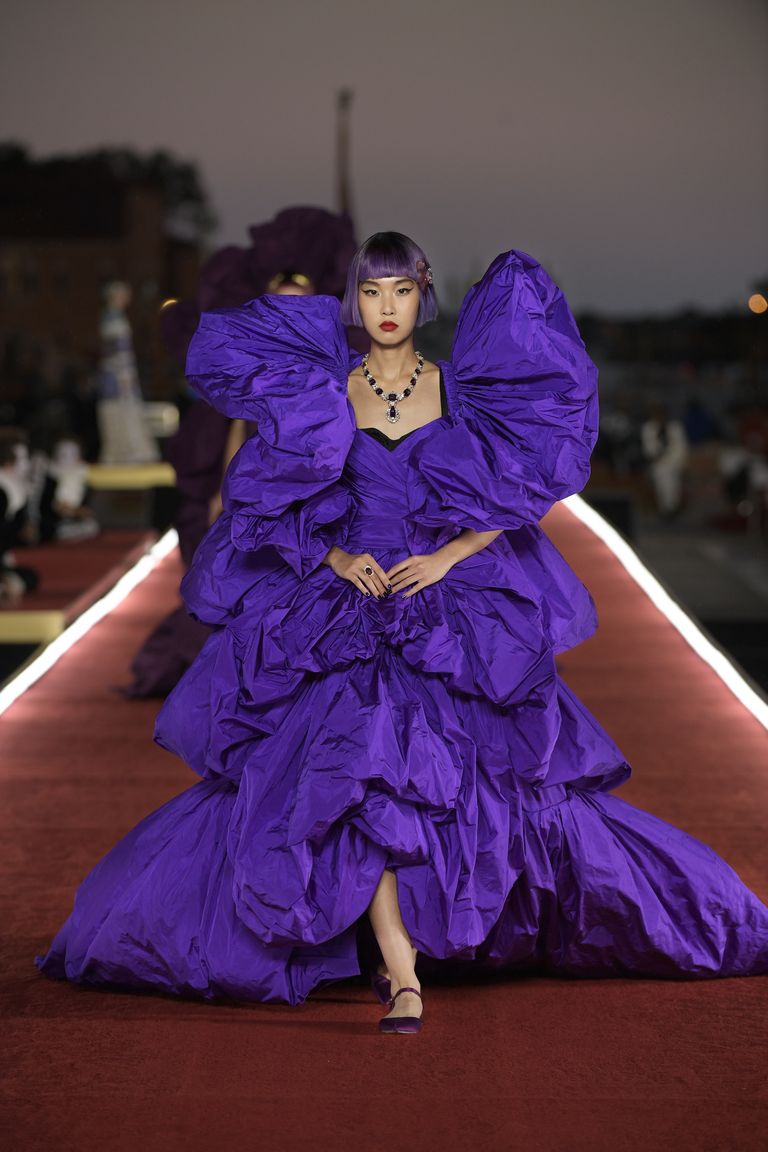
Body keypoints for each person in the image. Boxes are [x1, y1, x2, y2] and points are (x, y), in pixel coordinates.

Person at [35, 233, 768, 1034]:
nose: (387, 307)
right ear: (354, 300)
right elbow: (273, 503)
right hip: (343, 609)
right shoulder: (326, 389)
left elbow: (513, 492)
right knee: (352, 769)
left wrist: (447, 557)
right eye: (372, 291)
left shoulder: (462, 391)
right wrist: (336, 556)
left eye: (402, 290)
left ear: (424, 295)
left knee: (451, 776)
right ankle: (402, 968)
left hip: (442, 609)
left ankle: (412, 951)